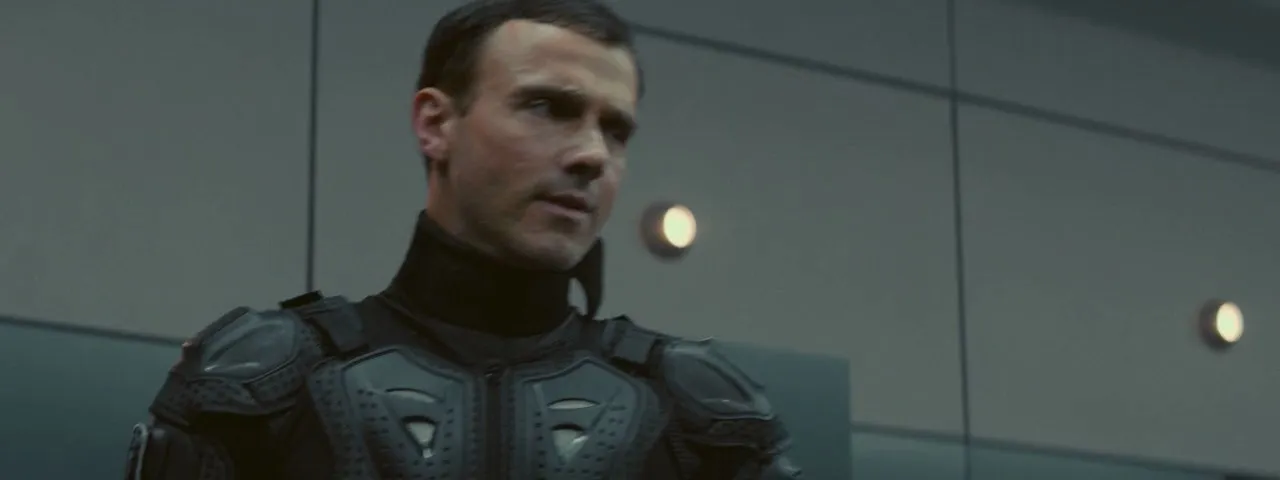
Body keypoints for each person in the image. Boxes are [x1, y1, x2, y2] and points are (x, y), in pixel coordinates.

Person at [122, 0, 803, 478]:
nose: (593, 155)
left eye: (615, 130)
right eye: (548, 106)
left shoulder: (701, 417)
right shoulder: (262, 386)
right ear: (435, 124)